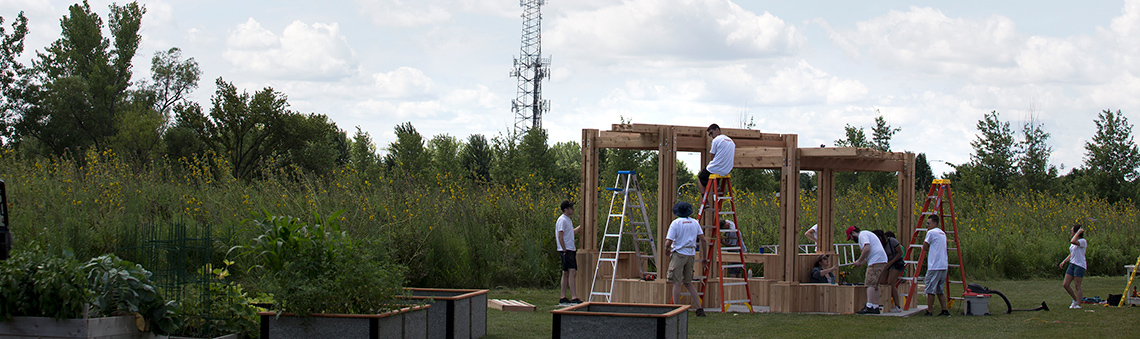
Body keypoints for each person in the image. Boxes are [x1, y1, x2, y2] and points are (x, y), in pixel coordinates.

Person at [665, 202, 709, 316]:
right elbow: (703, 240)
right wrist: (704, 257)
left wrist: (666, 248)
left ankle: (677, 309)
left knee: (676, 282)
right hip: (691, 254)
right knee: (688, 282)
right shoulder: (695, 222)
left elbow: (669, 241)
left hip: (679, 253)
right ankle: (699, 308)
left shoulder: (676, 223)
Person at [847, 225, 888, 314]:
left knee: (870, 283)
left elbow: (867, 249)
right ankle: (875, 306)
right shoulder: (866, 234)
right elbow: (868, 254)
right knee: (875, 285)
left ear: (853, 233)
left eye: (850, 237)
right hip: (881, 260)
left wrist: (858, 261)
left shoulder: (862, 235)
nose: (852, 240)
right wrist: (861, 263)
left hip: (876, 261)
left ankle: (869, 306)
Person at [922, 215, 950, 316]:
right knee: (939, 290)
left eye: (928, 223)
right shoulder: (942, 233)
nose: (927, 225)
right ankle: (944, 310)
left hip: (934, 265)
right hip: (943, 265)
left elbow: (925, 247)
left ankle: (929, 311)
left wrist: (926, 235)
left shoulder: (931, 233)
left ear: (934, 223)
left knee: (930, 289)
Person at [698, 124, 736, 197]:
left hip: (717, 168)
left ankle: (704, 201)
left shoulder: (716, 140)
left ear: (717, 130)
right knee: (717, 169)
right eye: (709, 135)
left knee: (700, 178)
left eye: (711, 133)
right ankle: (717, 186)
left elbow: (712, 156)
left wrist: (710, 163)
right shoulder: (731, 141)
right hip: (727, 170)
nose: (711, 136)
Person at [556, 200, 582, 305]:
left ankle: (563, 297)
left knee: (566, 272)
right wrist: (564, 249)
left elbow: (570, 233)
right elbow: (560, 236)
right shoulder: (562, 220)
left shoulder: (568, 220)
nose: (573, 209)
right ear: (565, 210)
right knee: (572, 272)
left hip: (568, 249)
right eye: (571, 208)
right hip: (567, 250)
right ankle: (574, 297)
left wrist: (580, 227)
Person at [1060, 224, 1087, 309]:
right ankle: (1075, 299)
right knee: (1066, 284)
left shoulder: (1082, 241)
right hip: (1072, 264)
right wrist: (1064, 261)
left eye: (1072, 231)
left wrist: (1078, 232)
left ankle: (1078, 305)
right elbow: (1072, 254)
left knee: (1077, 286)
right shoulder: (1074, 242)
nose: (1071, 232)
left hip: (1080, 265)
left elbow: (1073, 241)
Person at [879, 231, 904, 313]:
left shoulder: (892, 241)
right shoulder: (880, 244)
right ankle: (883, 303)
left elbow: (900, 253)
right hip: (887, 263)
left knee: (891, 283)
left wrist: (891, 263)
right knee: (882, 281)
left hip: (896, 263)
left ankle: (898, 305)